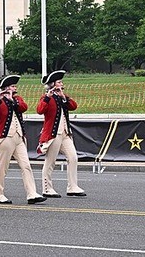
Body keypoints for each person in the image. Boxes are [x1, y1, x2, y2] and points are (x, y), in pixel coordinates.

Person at [0, 75, 46, 205]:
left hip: (19, 137)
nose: (15, 88)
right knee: (3, 167)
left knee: (26, 165)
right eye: (13, 86)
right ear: (6, 88)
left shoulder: (17, 99)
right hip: (5, 138)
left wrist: (12, 100)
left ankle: (32, 193)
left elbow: (23, 107)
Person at [37, 70, 85, 198]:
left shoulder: (63, 97)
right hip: (53, 134)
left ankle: (72, 187)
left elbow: (73, 106)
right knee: (50, 161)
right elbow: (40, 110)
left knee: (73, 157)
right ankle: (47, 188)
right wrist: (48, 96)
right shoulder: (46, 98)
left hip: (65, 133)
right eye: (59, 82)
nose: (62, 83)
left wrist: (64, 97)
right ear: (53, 84)